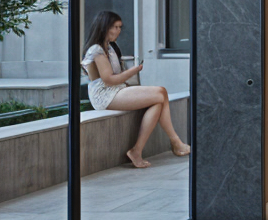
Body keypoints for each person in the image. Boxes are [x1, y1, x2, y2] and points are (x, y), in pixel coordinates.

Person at [82, 10, 191, 168]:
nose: (118, 31)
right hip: (104, 95)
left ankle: (137, 150)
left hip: (116, 90)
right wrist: (133, 71)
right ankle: (175, 142)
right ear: (104, 27)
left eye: (120, 27)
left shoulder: (110, 47)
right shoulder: (96, 50)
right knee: (161, 92)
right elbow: (109, 80)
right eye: (115, 27)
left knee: (158, 102)